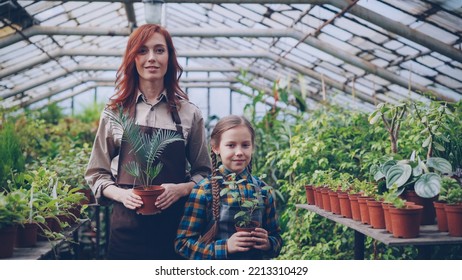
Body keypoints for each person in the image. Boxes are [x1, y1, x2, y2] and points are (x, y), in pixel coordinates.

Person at [85, 24, 212, 260]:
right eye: (142, 51)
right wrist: (122, 195)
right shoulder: (115, 112)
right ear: (132, 58)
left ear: (169, 58)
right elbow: (96, 173)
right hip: (126, 231)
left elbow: (204, 172)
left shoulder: (189, 113)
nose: (151, 58)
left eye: (159, 50)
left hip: (177, 230)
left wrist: (181, 189)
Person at [175, 115, 282, 259]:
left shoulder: (263, 190)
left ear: (252, 147)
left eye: (245, 145)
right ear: (215, 148)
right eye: (231, 145)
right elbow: (183, 244)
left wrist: (269, 243)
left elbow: (276, 238)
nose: (239, 152)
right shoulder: (204, 190)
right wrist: (225, 247)